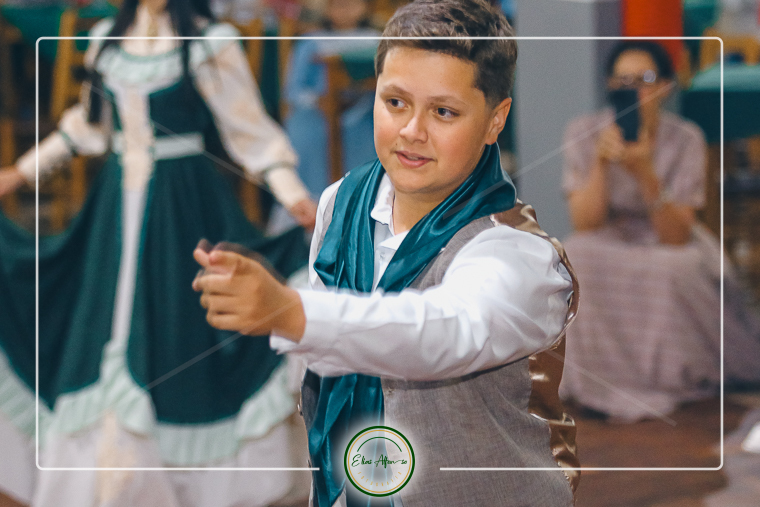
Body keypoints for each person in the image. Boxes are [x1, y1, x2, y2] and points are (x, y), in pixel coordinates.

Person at [194, 1, 580, 506]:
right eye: (395, 102)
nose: (412, 130)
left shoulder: (516, 251)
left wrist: (291, 311)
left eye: (443, 112)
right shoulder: (340, 203)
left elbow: (444, 331)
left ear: (495, 120)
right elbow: (329, 371)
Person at [0, 0, 317, 505]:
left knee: (179, 337)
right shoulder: (107, 38)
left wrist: (294, 196)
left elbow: (250, 134)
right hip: (111, 210)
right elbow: (87, 127)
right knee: (94, 333)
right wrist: (20, 172)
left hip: (182, 208)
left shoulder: (207, 44)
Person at [559, 41, 760, 422]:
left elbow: (676, 236)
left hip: (667, 234)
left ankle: (669, 376)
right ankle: (601, 379)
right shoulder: (584, 131)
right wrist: (601, 162)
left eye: (645, 79)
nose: (634, 90)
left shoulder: (685, 138)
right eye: (623, 81)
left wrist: (644, 172)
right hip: (611, 233)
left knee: (674, 267)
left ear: (666, 87)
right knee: (577, 254)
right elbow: (585, 224)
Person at [283, 0, 379, 198]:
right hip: (319, 114)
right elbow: (294, 90)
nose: (344, 10)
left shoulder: (376, 41)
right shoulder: (311, 41)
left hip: (365, 113)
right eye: (337, 5)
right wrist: (318, 102)